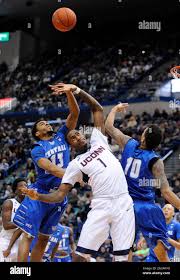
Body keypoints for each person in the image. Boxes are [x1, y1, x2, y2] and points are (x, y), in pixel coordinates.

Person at [21, 83, 135, 262]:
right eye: (72, 137)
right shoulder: (74, 164)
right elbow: (57, 189)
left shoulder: (98, 140)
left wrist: (74, 91)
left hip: (124, 201)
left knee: (123, 255)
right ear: (70, 145)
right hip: (100, 204)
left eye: (78, 134)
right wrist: (39, 196)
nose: (78, 136)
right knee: (79, 255)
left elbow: (96, 109)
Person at [105, 103, 180, 262]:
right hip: (146, 207)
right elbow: (166, 192)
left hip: (124, 205)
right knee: (159, 248)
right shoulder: (155, 160)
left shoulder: (129, 143)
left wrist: (113, 110)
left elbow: (109, 127)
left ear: (144, 136)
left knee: (125, 249)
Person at [13, 86, 80, 262]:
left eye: (47, 122)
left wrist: (69, 93)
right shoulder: (37, 148)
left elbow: (74, 113)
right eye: (42, 124)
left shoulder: (61, 136)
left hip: (59, 195)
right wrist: (74, 175)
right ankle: (21, 270)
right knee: (28, 235)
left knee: (43, 239)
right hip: (41, 193)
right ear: (37, 133)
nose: (47, 123)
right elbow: (50, 168)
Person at [0, 178, 26, 262]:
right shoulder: (9, 203)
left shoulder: (29, 207)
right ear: (15, 191)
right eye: (21, 185)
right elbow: (6, 225)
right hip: (6, 241)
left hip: (20, 242)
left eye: (26, 185)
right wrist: (25, 223)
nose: (24, 187)